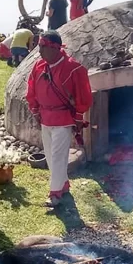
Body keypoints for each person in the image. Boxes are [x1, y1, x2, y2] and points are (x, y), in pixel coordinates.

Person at [26, 31, 93, 207]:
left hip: (63, 119)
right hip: (45, 117)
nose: (39, 51)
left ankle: (55, 194)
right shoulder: (38, 66)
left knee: (57, 156)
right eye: (39, 46)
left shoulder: (74, 69)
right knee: (50, 156)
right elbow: (31, 88)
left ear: (55, 48)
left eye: (43, 47)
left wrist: (78, 117)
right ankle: (63, 184)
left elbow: (83, 96)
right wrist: (34, 109)